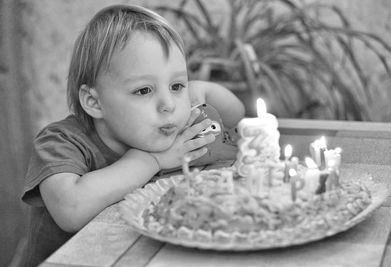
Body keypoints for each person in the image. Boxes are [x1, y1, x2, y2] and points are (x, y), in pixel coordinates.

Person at [20, 4, 245, 266]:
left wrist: (200, 90)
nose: (168, 104)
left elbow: (236, 115)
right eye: (143, 90)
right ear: (95, 102)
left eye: (175, 85)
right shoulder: (60, 141)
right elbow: (70, 209)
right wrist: (153, 160)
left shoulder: (169, 124)